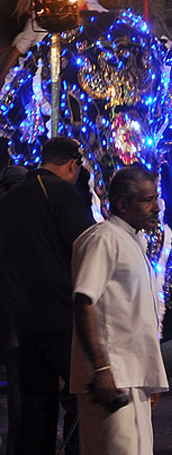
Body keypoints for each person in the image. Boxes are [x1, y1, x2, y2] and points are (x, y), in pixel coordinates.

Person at [0, 136, 93, 454]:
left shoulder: (11, 198)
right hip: (61, 316)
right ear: (72, 164)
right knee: (82, 396)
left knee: (34, 406)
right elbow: (87, 249)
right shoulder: (61, 193)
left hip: (21, 321)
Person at [71, 166, 169, 455]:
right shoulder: (104, 239)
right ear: (123, 204)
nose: (156, 208)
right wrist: (102, 369)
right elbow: (83, 301)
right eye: (148, 200)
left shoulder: (131, 240)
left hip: (132, 379)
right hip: (111, 379)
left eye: (156, 199)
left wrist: (149, 380)